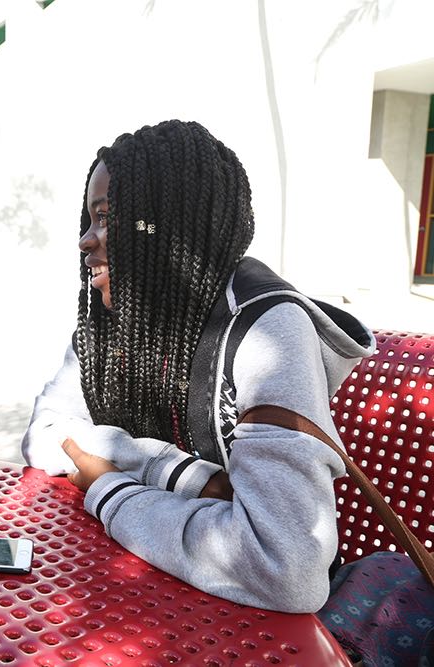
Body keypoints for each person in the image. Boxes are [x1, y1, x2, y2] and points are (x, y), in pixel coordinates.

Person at [22, 120, 378, 615]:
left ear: (164, 225)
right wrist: (182, 475)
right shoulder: (112, 320)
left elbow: (285, 570)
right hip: (135, 588)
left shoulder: (266, 332)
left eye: (105, 218)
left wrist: (108, 487)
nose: (85, 240)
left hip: (253, 624)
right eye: (89, 220)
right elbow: (44, 433)